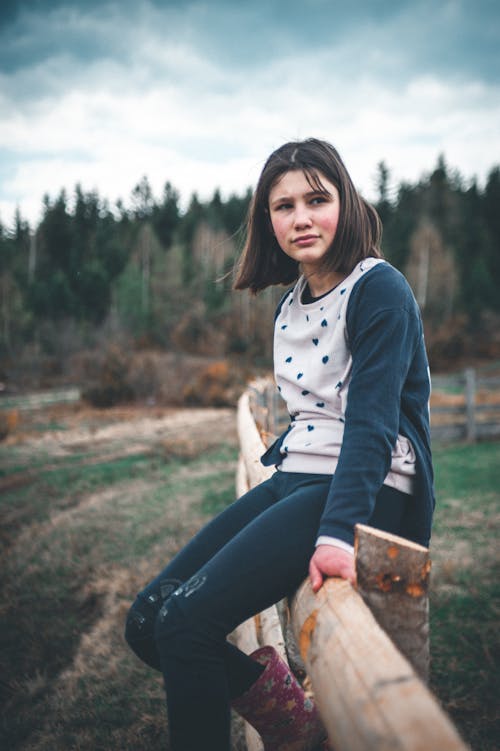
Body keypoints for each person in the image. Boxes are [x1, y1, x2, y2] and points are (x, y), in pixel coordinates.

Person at [125, 138, 434, 751]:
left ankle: (289, 725)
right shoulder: (291, 304)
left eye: (316, 200)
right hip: (298, 478)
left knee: (187, 623)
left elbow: (371, 424)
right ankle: (290, 718)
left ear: (345, 202)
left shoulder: (381, 289)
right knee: (149, 620)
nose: (300, 218)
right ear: (267, 220)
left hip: (366, 489)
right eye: (283, 205)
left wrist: (335, 534)